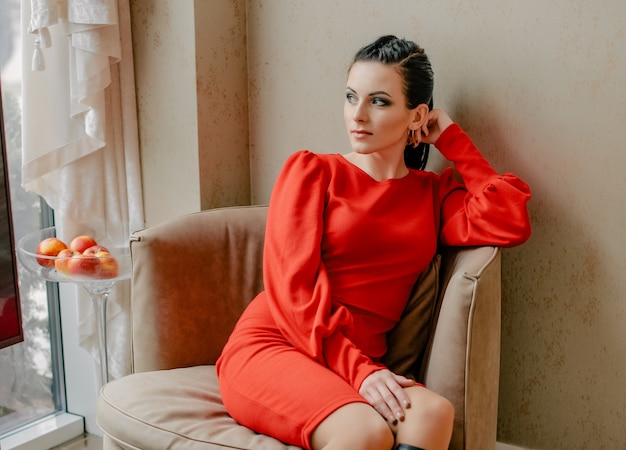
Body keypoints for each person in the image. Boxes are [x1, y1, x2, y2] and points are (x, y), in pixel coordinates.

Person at [216, 35, 531, 450]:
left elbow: (510, 218)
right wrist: (362, 371)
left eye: (378, 102)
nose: (357, 115)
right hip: (280, 343)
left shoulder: (432, 195)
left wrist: (451, 139)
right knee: (365, 433)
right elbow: (293, 293)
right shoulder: (312, 172)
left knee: (435, 414)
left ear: (417, 115)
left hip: (356, 363)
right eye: (351, 97)